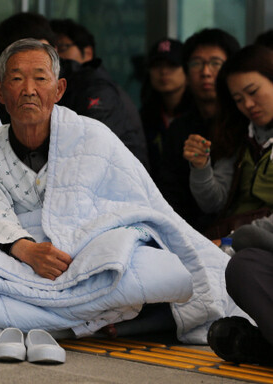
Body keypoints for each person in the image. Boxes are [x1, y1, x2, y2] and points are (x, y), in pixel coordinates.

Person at [0, 38, 244, 341]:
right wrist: (27, 249)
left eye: (40, 78)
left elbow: (135, 206)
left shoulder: (93, 136)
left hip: (87, 255)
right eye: (16, 79)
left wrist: (72, 245)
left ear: (59, 90)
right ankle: (91, 318)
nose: (29, 89)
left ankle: (84, 316)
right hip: (23, 256)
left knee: (150, 265)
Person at [0, 13, 149, 169]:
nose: (29, 90)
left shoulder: (91, 87)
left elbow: (91, 160)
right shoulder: (0, 105)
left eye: (37, 52)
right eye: (18, 73)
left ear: (54, 49)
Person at [204, 51, 273, 365]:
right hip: (252, 247)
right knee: (244, 269)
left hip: (247, 237)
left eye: (254, 92)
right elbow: (212, 200)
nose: (248, 104)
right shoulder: (241, 139)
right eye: (238, 99)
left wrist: (235, 238)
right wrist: (199, 168)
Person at [157, 28, 240, 232]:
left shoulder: (244, 122)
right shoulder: (180, 128)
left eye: (215, 63)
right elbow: (169, 191)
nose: (205, 72)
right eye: (196, 63)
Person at [139, 38, 193, 181]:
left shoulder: (198, 116)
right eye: (157, 66)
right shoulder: (144, 117)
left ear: (187, 71)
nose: (163, 72)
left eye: (172, 65)